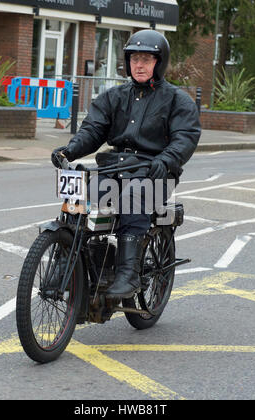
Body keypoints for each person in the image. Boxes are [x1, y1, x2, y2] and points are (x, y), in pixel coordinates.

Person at [51, 29, 201, 299]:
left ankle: (128, 274)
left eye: (146, 59)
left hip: (155, 172)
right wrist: (70, 150)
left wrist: (166, 160)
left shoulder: (178, 100)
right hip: (114, 169)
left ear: (159, 62)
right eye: (134, 59)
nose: (139, 65)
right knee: (78, 199)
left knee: (132, 197)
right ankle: (64, 267)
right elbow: (93, 129)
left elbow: (185, 137)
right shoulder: (113, 97)